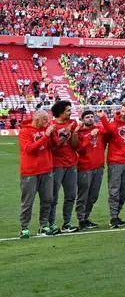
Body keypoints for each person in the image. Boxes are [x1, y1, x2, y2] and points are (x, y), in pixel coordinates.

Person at [18, 110, 56, 238]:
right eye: (45, 119)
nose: (47, 122)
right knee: (28, 201)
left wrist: (52, 134)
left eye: (48, 119)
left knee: (48, 199)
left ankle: (43, 225)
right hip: (30, 171)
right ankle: (24, 228)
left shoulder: (45, 130)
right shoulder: (25, 131)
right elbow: (29, 149)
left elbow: (54, 145)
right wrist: (45, 135)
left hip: (46, 170)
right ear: (37, 119)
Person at [102, 102, 125, 229]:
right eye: (122, 111)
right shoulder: (112, 124)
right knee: (114, 190)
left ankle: (116, 214)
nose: (124, 114)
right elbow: (104, 140)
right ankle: (113, 217)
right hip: (115, 161)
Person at [48, 100, 80, 233]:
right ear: (60, 112)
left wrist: (74, 134)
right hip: (56, 165)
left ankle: (67, 223)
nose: (70, 112)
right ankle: (51, 224)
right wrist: (65, 134)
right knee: (53, 197)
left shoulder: (72, 123)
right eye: (67, 110)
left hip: (71, 163)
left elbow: (74, 146)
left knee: (71, 195)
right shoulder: (51, 126)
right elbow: (53, 148)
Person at [75, 109, 109, 230]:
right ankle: (81, 219)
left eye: (91, 117)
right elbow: (79, 149)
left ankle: (86, 217)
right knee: (83, 195)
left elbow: (109, 130)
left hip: (98, 167)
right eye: (87, 117)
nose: (90, 119)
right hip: (84, 168)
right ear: (82, 119)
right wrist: (90, 136)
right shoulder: (79, 132)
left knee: (93, 195)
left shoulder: (99, 129)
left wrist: (103, 118)